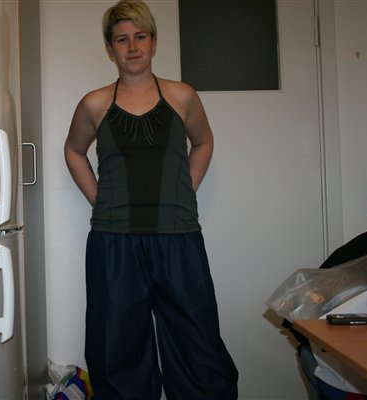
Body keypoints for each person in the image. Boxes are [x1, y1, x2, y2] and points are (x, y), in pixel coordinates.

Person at [64, 1, 238, 398]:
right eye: (122, 40)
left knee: (197, 344)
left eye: (140, 37)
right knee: (117, 348)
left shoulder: (182, 96)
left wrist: (185, 189)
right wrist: (98, 200)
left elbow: (204, 141)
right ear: (110, 48)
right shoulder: (94, 103)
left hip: (178, 239)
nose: (132, 47)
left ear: (154, 42)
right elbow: (73, 151)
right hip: (114, 243)